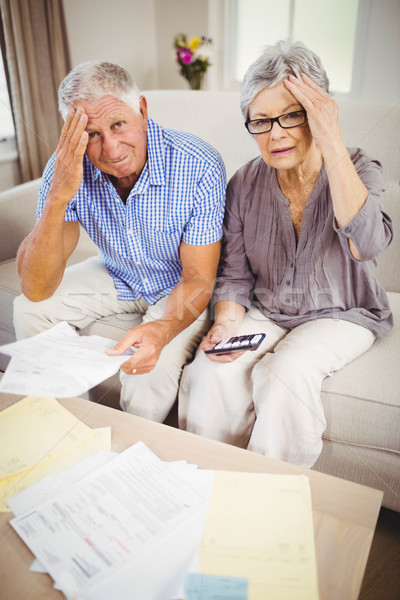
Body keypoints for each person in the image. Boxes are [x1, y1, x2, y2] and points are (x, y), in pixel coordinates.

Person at [179, 40, 393, 468]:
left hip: (343, 312)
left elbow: (366, 243)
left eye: (291, 115)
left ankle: (269, 499)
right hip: (270, 308)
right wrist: (224, 324)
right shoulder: (244, 184)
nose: (275, 133)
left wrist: (332, 141)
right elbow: (235, 275)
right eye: (260, 121)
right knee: (209, 371)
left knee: (285, 374)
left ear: (318, 112)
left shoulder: (359, 168)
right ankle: (203, 483)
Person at [14, 60, 226, 422]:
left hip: (180, 284)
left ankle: (131, 453)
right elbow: (36, 287)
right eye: (92, 134)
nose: (110, 149)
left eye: (118, 124)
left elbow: (199, 278)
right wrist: (57, 196)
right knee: (28, 309)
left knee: (148, 371)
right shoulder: (66, 168)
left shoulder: (199, 164)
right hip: (118, 274)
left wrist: (161, 329)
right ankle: (69, 422)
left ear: (141, 110)